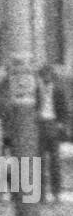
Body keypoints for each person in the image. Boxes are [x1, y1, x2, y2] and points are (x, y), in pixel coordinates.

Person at [38, 65, 69, 201]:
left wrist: (60, 125)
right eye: (44, 75)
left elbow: (64, 110)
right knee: (40, 160)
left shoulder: (58, 91)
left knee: (55, 160)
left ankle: (56, 193)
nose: (46, 77)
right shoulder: (36, 91)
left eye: (48, 75)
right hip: (40, 125)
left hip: (53, 124)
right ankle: (41, 193)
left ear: (52, 76)